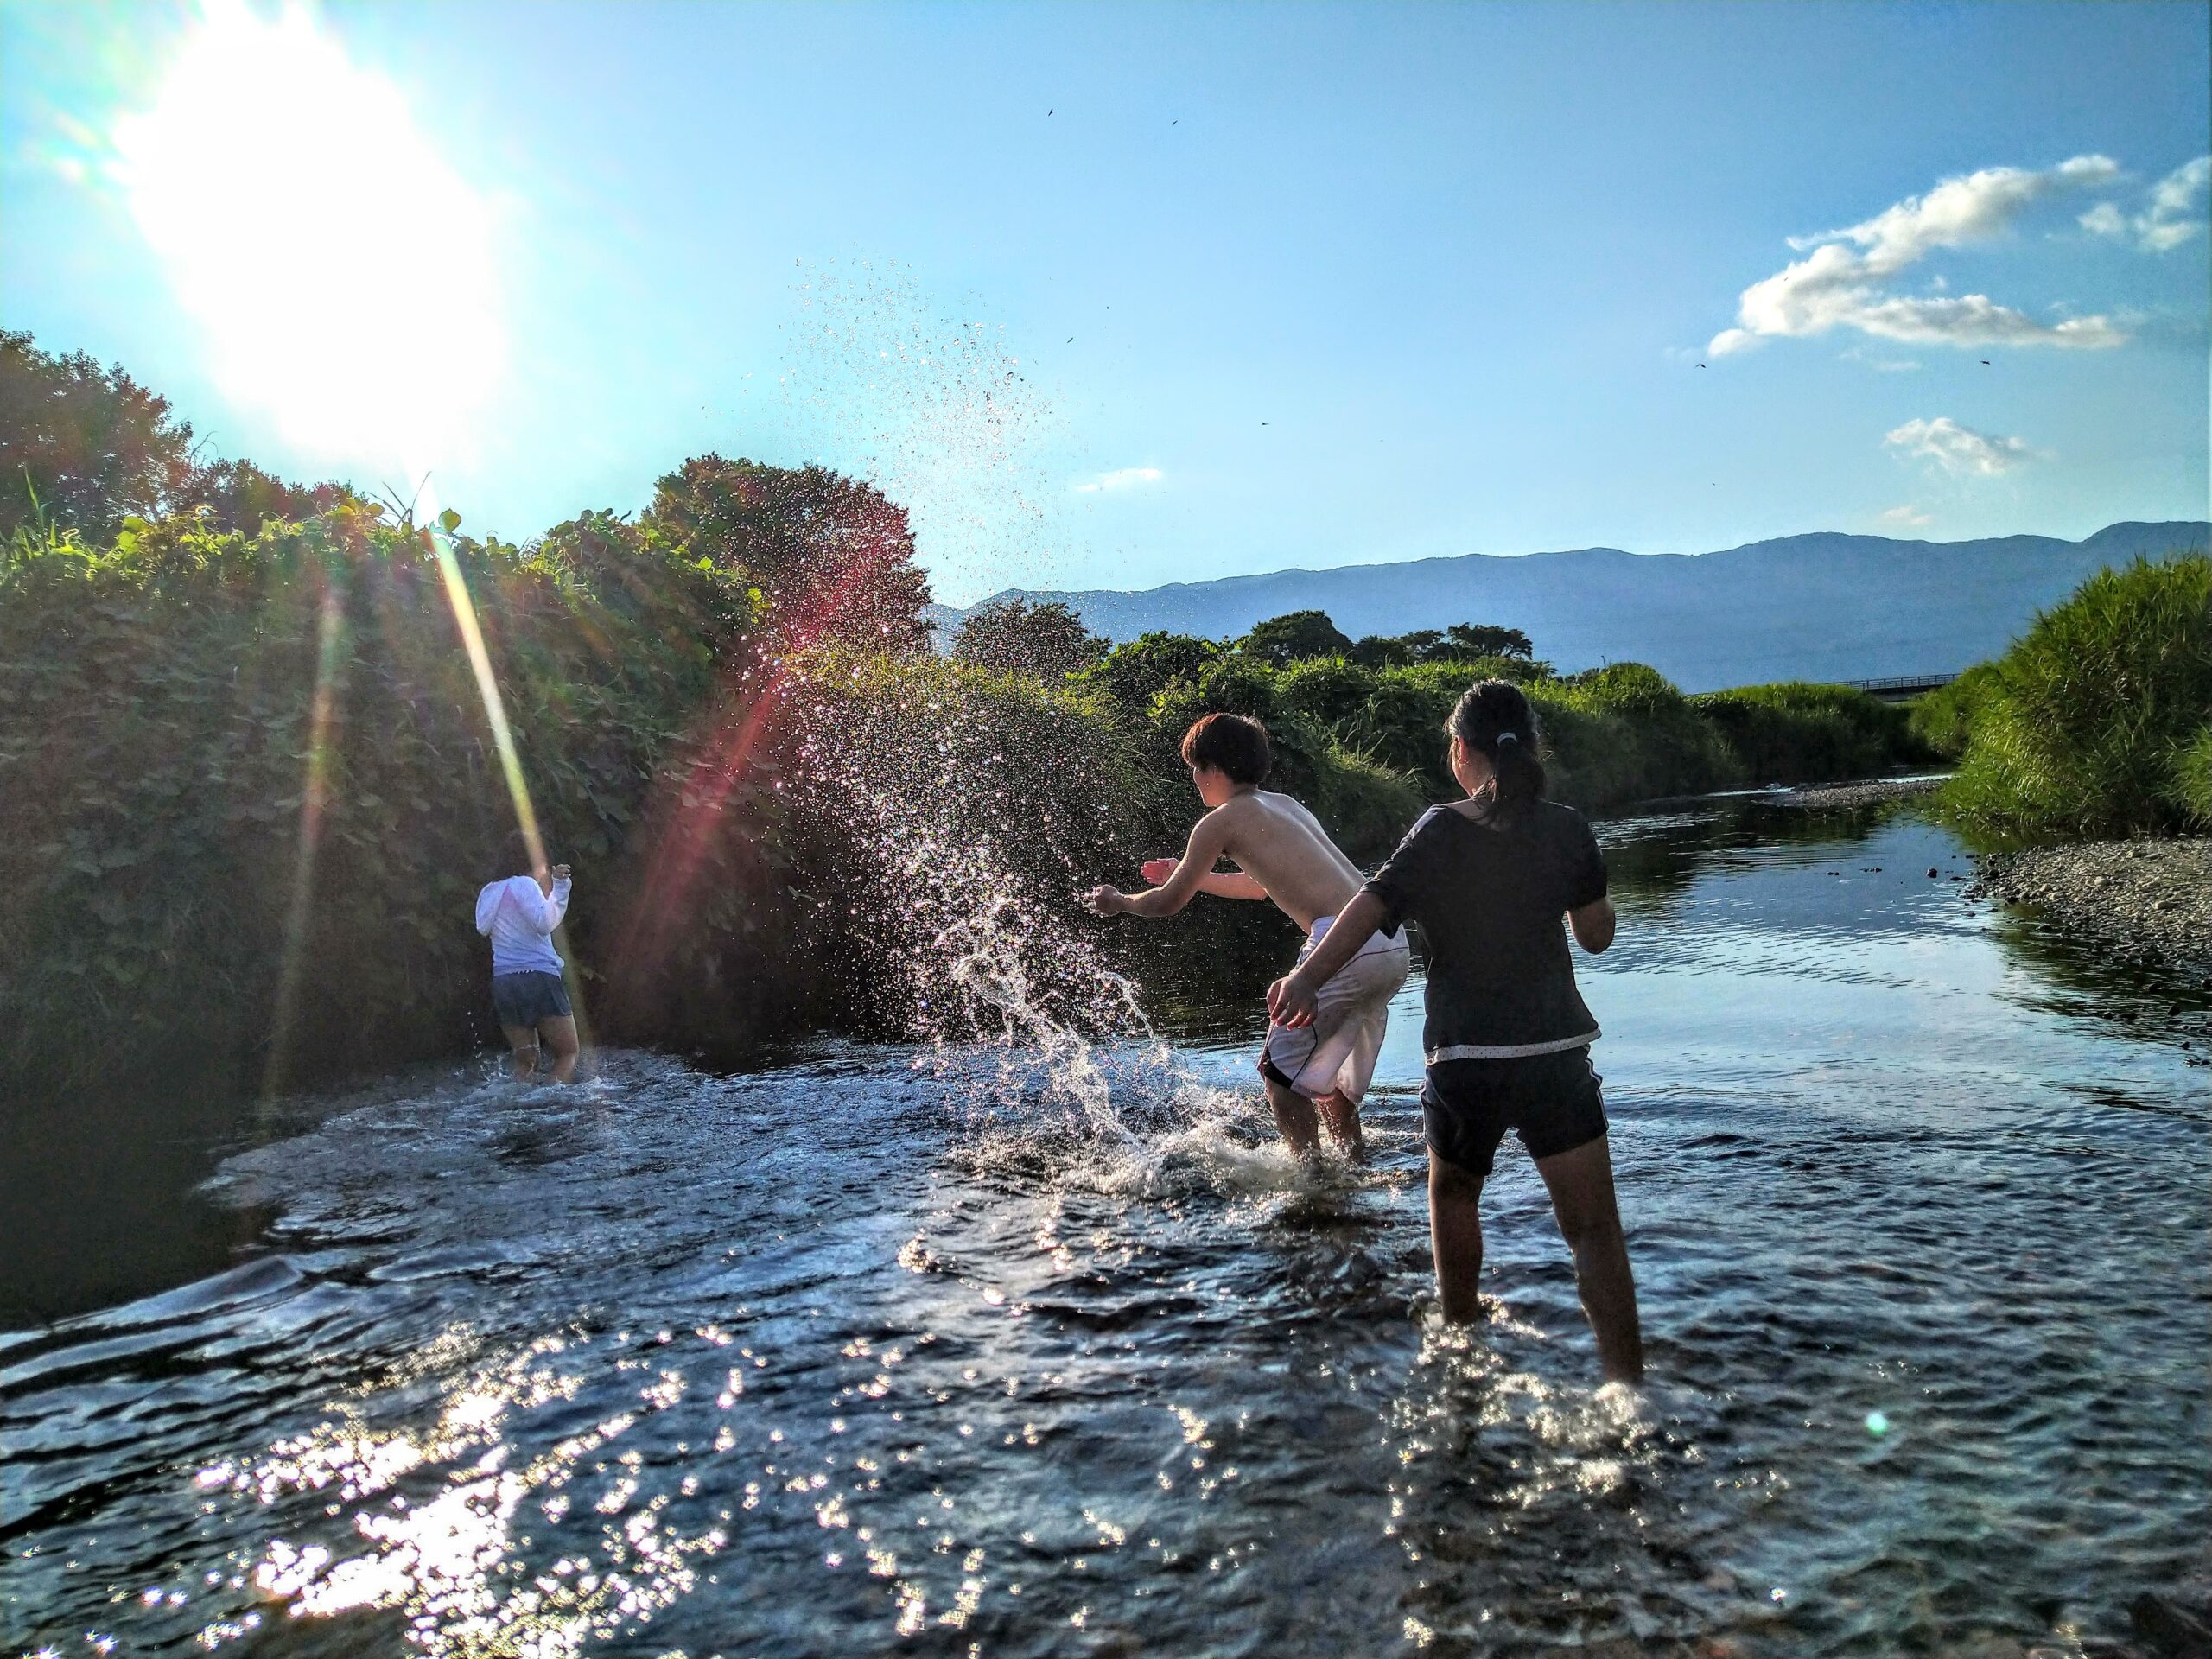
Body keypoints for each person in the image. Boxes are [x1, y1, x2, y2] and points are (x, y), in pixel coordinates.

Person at [1268, 682, 1643, 1382]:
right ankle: (1627, 1388)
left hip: (1464, 1055)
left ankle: (1462, 1357)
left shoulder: (1439, 828)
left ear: (1462, 752)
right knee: (1593, 1231)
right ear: (1531, 747)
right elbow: (1596, 937)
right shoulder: (1566, 826)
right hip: (1555, 1052)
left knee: (1454, 1198)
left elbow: (1368, 908)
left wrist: (1307, 979)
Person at [1084, 712, 1409, 1160]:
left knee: (1278, 1075)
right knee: (1326, 1074)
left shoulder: (1219, 822)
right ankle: (1352, 1162)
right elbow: (1259, 886)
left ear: (1215, 768)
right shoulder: (1286, 805)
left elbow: (1165, 903)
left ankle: (1312, 1177)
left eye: (1196, 768)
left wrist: (1119, 901)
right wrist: (1192, 875)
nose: (1194, 779)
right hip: (1389, 942)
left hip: (1342, 944)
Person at [474, 833, 580, 1084]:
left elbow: (482, 928)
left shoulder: (489, 891)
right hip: (538, 978)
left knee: (526, 1063)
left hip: (505, 982)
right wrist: (560, 887)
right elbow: (544, 923)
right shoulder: (524, 884)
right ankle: (552, 1101)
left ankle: (519, 1102)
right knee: (568, 1053)